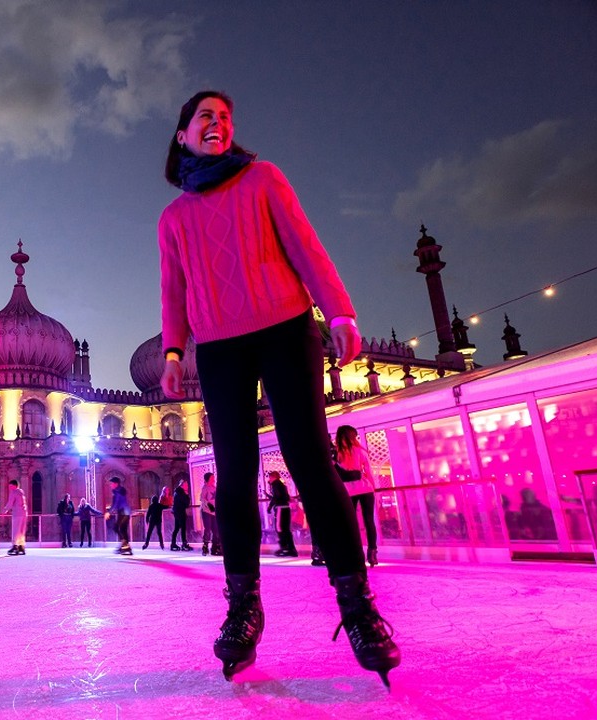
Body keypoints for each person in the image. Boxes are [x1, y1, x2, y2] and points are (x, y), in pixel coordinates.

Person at [158, 90, 399, 684]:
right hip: (218, 347)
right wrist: (170, 351)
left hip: (287, 331)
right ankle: (243, 606)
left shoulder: (263, 178)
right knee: (234, 473)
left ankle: (358, 605)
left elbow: (305, 245)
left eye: (225, 117)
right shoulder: (174, 218)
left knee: (312, 463)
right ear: (182, 135)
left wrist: (339, 313)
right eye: (204, 118)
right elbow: (174, 288)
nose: (217, 124)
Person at [334, 426, 378, 566]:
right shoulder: (360, 451)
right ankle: (372, 553)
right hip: (365, 488)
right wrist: (374, 488)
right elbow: (369, 472)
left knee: (351, 523)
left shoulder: (337, 453)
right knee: (369, 520)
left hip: (347, 490)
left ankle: (355, 553)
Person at [266, 471, 297, 557]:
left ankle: (284, 547)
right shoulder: (282, 485)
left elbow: (277, 496)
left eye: (270, 477)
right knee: (286, 529)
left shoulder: (275, 484)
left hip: (280, 508)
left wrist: (270, 506)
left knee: (280, 528)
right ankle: (291, 548)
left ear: (273, 477)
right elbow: (284, 496)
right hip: (286, 508)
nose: (269, 479)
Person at [2, 479, 28, 556]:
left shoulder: (14, 492)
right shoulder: (21, 492)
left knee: (16, 530)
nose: (10, 488)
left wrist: (4, 511)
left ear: (15, 486)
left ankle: (15, 546)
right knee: (21, 530)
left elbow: (10, 503)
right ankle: (21, 546)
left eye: (11, 486)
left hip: (17, 514)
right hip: (24, 513)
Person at [107, 477, 132, 555]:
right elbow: (114, 503)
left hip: (124, 512)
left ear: (116, 483)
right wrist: (110, 510)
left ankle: (125, 546)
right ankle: (125, 547)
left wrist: (109, 512)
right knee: (122, 529)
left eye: (112, 483)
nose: (111, 485)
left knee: (119, 528)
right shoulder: (116, 491)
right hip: (122, 512)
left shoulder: (119, 491)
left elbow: (116, 502)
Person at [200, 472, 219, 556]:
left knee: (216, 530)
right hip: (206, 511)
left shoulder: (214, 488)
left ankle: (214, 548)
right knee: (207, 529)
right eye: (212, 477)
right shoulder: (205, 488)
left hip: (214, 512)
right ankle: (205, 547)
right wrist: (209, 505)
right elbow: (202, 498)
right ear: (208, 479)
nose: (213, 479)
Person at [170, 478, 192, 551]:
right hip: (180, 512)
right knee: (182, 528)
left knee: (177, 528)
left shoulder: (178, 492)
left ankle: (173, 544)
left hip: (178, 512)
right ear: (182, 485)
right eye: (186, 485)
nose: (187, 486)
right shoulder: (181, 493)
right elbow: (186, 504)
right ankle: (184, 544)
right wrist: (187, 495)